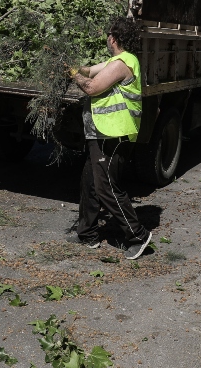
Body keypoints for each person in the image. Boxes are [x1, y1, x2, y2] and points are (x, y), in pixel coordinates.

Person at [66, 17, 152, 260]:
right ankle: (88, 234)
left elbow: (92, 86)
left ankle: (138, 235)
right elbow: (90, 70)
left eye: (108, 35)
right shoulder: (115, 61)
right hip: (101, 132)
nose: (106, 38)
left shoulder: (123, 63)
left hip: (114, 135)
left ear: (113, 38)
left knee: (107, 188)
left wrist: (73, 74)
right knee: (90, 183)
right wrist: (69, 64)